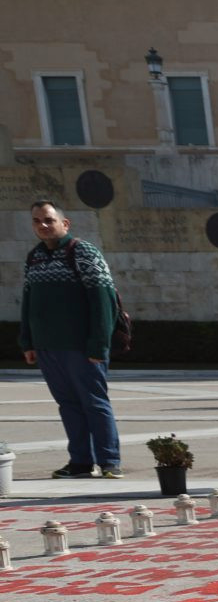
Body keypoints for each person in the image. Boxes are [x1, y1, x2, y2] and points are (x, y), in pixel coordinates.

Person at [21, 201, 123, 478]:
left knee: (94, 403)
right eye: (36, 221)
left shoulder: (83, 252)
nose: (42, 225)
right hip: (48, 347)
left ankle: (109, 461)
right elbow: (28, 301)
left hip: (81, 347)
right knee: (68, 405)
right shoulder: (34, 257)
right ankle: (80, 462)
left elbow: (103, 300)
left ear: (64, 223)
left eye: (49, 220)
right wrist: (27, 341)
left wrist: (99, 344)